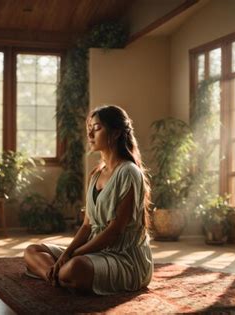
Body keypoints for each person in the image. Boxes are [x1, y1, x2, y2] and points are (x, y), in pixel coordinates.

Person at [23, 105, 153, 295]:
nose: (90, 134)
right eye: (89, 128)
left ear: (116, 133)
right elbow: (86, 226)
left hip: (123, 257)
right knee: (32, 250)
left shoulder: (129, 172)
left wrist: (72, 255)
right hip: (94, 251)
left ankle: (60, 275)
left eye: (97, 128)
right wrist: (67, 253)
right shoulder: (96, 175)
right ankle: (55, 276)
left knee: (75, 267)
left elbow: (114, 232)